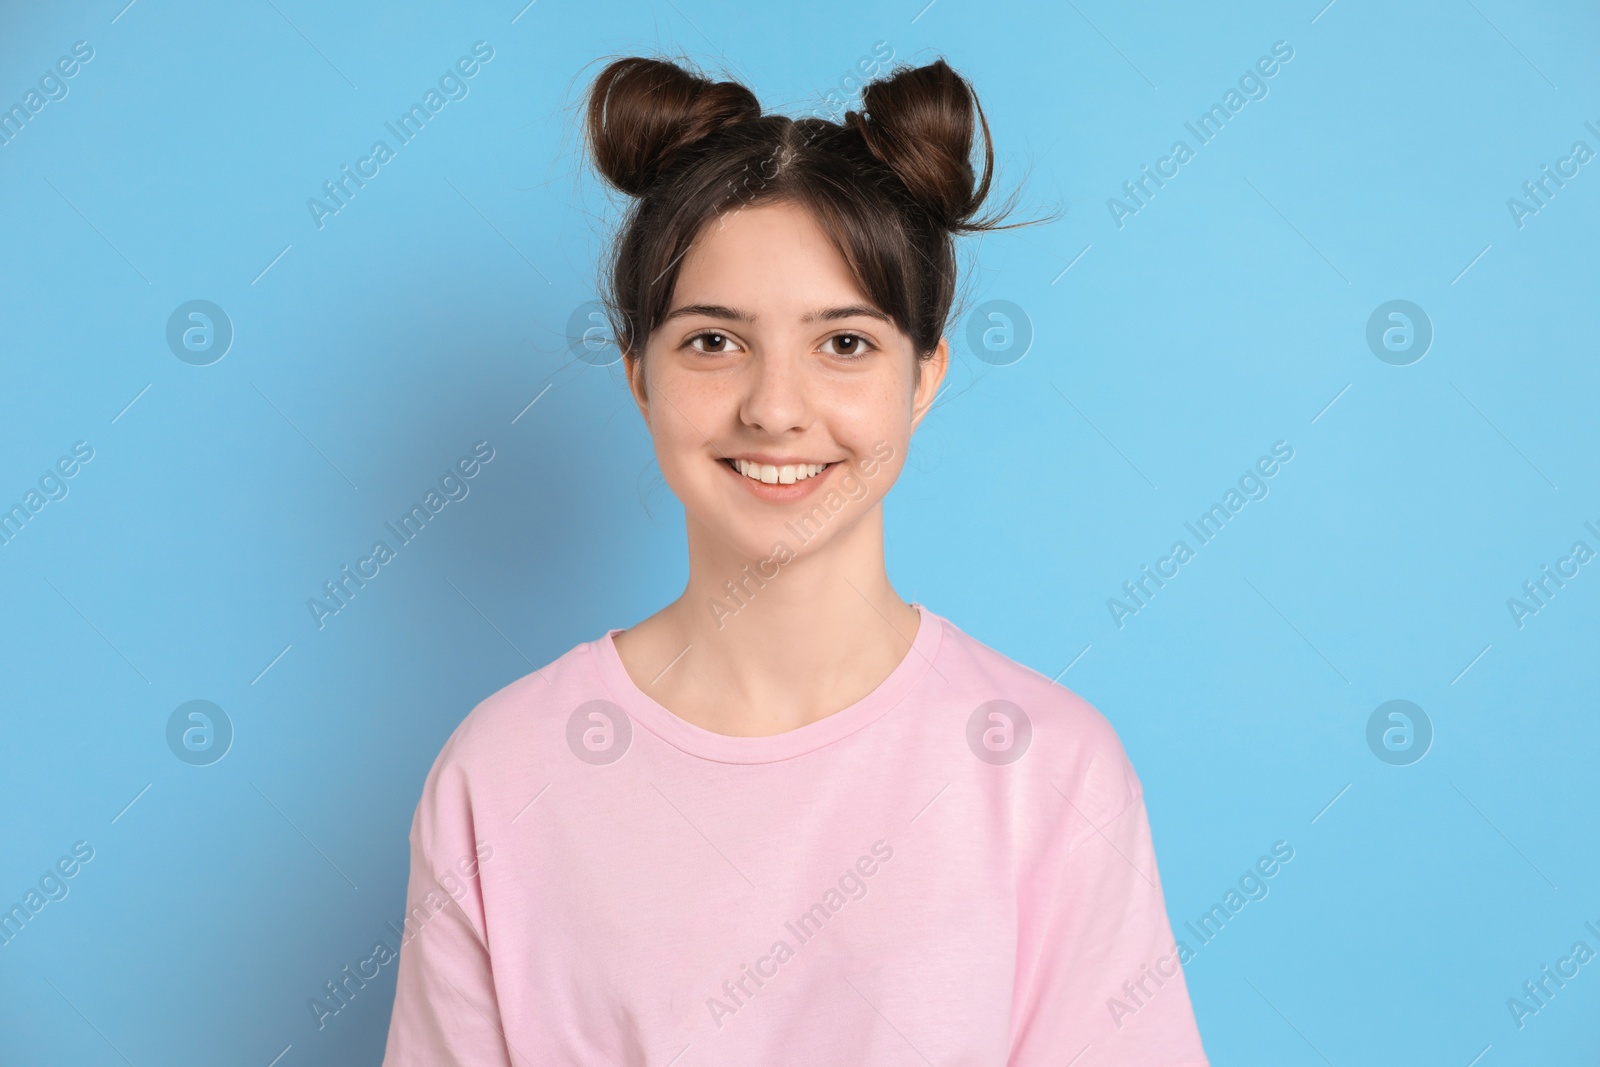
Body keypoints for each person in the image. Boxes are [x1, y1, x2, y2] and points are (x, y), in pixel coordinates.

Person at [383, 53, 1209, 1066]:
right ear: (639, 371)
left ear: (924, 375)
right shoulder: (503, 771)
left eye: (846, 344)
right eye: (713, 341)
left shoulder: (1046, 768)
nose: (775, 408)